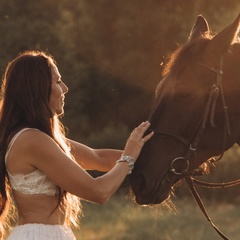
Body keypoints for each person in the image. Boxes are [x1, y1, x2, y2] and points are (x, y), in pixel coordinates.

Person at [0, 51, 154, 240]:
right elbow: (98, 191)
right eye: (57, 82)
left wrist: (164, 159)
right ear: (38, 89)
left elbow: (99, 158)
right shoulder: (32, 140)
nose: (65, 88)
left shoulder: (40, 139)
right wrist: (128, 157)